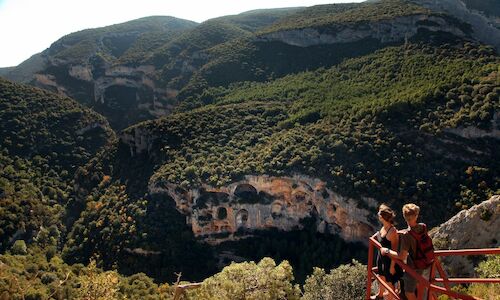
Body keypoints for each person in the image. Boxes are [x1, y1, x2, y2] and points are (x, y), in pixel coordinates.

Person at [380, 203, 433, 300]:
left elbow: (402, 256)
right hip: (427, 261)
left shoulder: (406, 236)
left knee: (409, 292)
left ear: (404, 217)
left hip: (415, 267)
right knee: (426, 288)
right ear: (416, 216)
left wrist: (386, 250)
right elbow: (414, 233)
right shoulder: (423, 227)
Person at [371, 204, 403, 300]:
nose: (378, 216)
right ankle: (380, 295)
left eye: (379, 215)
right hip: (381, 258)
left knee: (389, 281)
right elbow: (380, 236)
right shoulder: (383, 227)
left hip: (389, 261)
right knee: (381, 276)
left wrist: (392, 267)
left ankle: (390, 298)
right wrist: (376, 235)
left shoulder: (392, 231)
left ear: (382, 217)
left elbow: (395, 250)